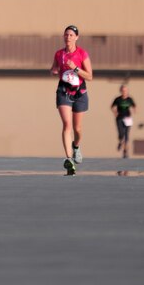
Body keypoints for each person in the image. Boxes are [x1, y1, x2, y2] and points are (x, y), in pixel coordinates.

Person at [50, 25, 93, 175]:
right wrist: (54, 71)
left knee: (77, 129)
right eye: (66, 35)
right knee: (67, 124)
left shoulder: (82, 54)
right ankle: (69, 159)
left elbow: (90, 76)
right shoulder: (59, 54)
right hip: (63, 91)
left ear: (76, 37)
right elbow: (54, 69)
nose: (68, 37)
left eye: (71, 35)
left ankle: (76, 146)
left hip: (79, 92)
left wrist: (75, 68)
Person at [111, 85, 136, 158]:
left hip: (127, 118)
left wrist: (133, 111)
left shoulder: (129, 99)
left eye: (125, 90)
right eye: (123, 90)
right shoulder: (118, 99)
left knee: (127, 135)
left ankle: (125, 151)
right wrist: (115, 113)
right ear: (121, 91)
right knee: (121, 134)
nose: (124, 92)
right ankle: (120, 142)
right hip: (119, 118)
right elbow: (112, 107)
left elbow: (134, 106)